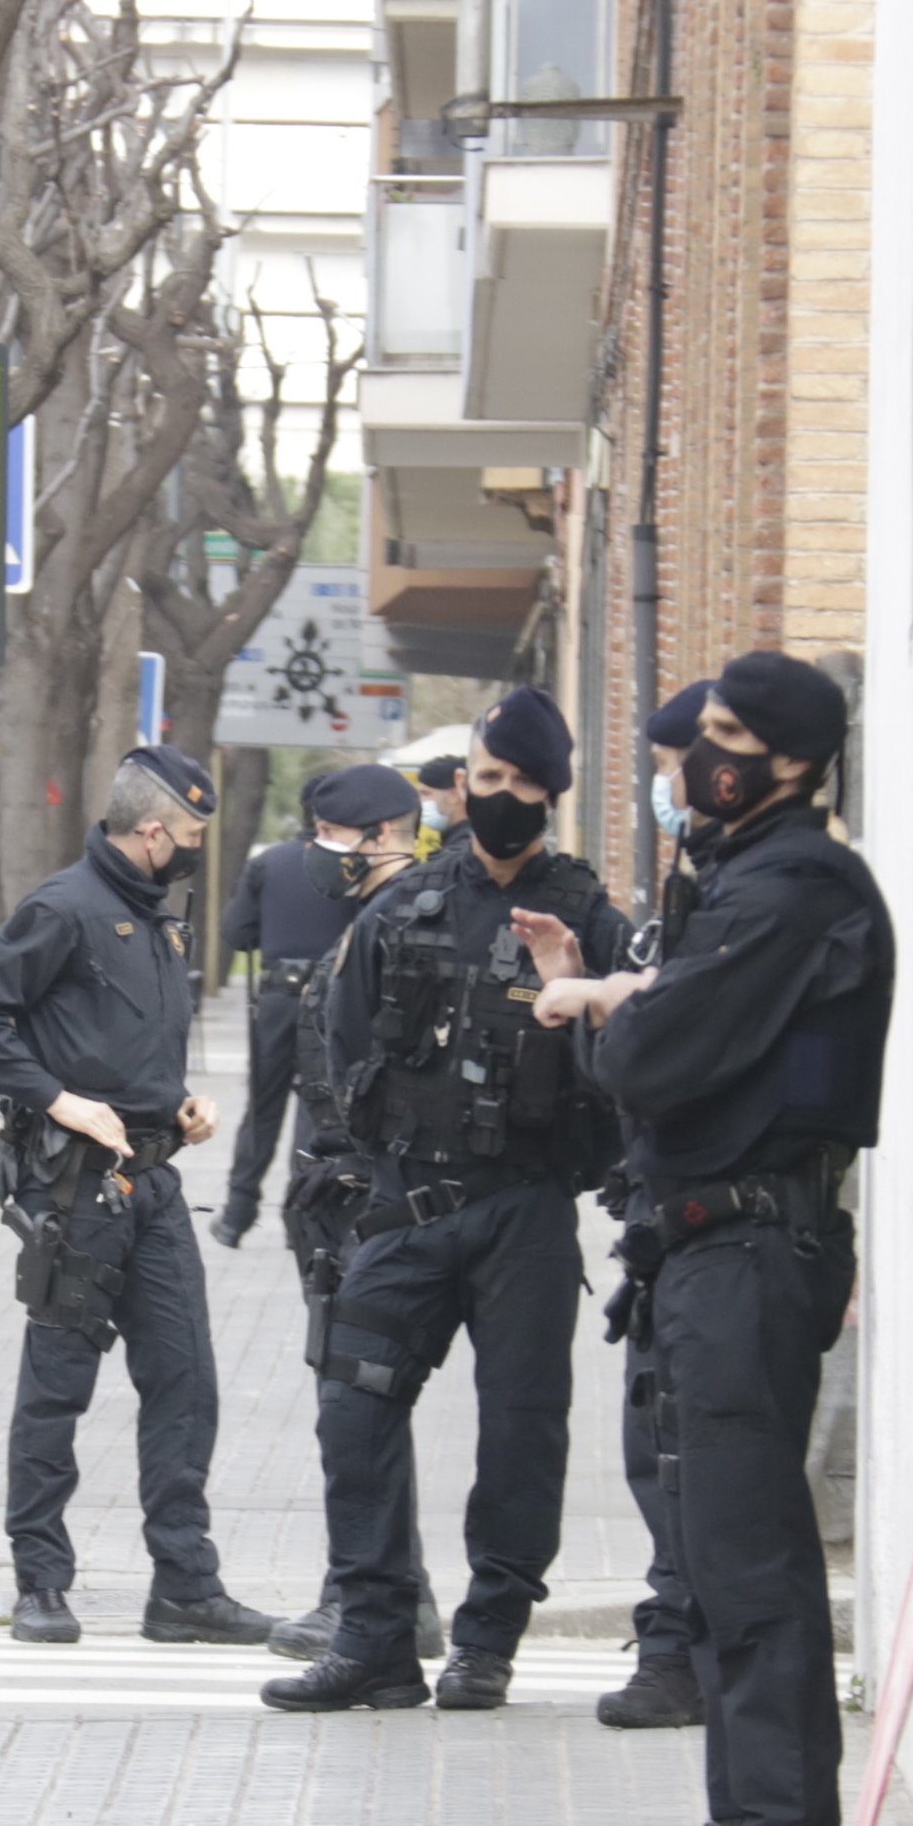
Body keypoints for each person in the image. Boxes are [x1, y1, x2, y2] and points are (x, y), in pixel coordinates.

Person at [521, 650, 893, 1826]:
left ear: (791, 758)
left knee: (750, 1553)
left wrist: (630, 1009)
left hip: (750, 1245)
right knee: (716, 1552)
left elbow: (656, 1055)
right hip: (704, 1248)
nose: (699, 758)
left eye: (728, 735)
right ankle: (745, 1818)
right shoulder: (740, 881)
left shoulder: (795, 888)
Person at [261, 687, 631, 1715]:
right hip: (406, 1204)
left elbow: (632, 1067)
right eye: (487, 778)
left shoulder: (588, 919)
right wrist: (340, 1174)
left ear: (550, 794)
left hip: (526, 1209)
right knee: (354, 1408)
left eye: (520, 783)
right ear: (462, 781)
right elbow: (338, 1035)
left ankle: (488, 1641)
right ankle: (376, 1636)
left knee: (522, 1430)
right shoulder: (405, 903)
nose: (499, 797)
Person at [0, 746, 274, 1650]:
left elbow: (131, 1048)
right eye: (193, 832)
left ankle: (186, 1588)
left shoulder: (159, 919)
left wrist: (180, 1107)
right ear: (154, 831)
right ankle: (40, 1582)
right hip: (76, 1192)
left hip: (151, 1185)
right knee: (58, 1388)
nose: (199, 846)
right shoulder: (65, 909)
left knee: (185, 1381)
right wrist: (57, 1099)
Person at [597, 677, 719, 1733]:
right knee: (657, 1447)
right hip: (663, 1218)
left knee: (687, 1451)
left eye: (673, 766)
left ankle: (680, 1648)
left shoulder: (743, 899)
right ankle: (676, 1641)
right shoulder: (687, 896)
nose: (662, 790)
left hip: (720, 1226)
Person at [211, 761, 417, 1248]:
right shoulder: (356, 872)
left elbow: (236, 931)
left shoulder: (270, 863)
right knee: (316, 1107)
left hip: (280, 997)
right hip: (330, 994)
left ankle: (238, 1211)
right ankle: (300, 1204)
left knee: (262, 1108)